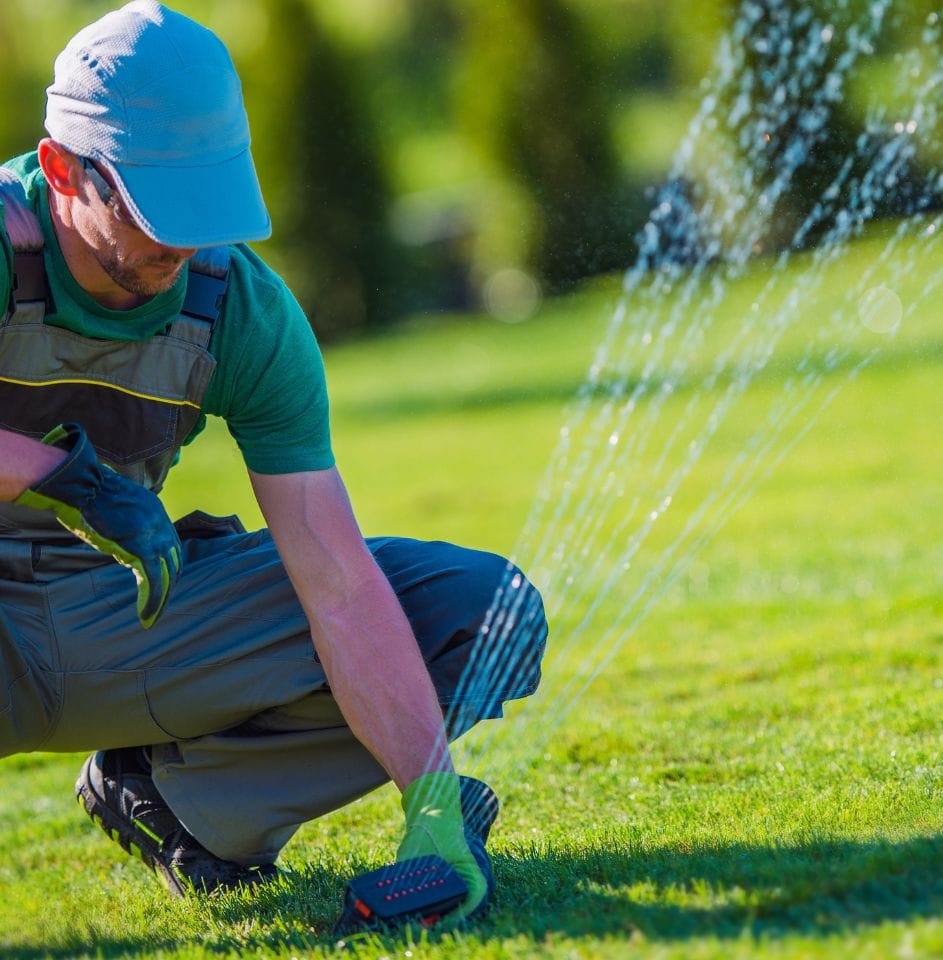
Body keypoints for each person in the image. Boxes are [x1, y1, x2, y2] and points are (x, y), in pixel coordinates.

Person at [0, 1, 547, 926]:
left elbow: (335, 580)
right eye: (151, 208)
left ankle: (186, 807)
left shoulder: (240, 313)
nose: (180, 244)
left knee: (479, 617)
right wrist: (62, 477)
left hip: (120, 614)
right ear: (62, 168)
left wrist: (431, 800)